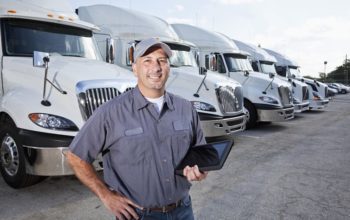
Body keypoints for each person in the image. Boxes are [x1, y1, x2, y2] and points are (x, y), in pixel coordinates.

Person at [66, 38, 208, 220]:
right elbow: (75, 156)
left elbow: (200, 154)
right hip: (138, 215)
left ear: (168, 68)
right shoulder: (111, 112)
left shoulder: (186, 108)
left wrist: (201, 170)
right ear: (134, 68)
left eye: (162, 61)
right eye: (147, 60)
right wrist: (106, 195)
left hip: (183, 211)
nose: (155, 68)